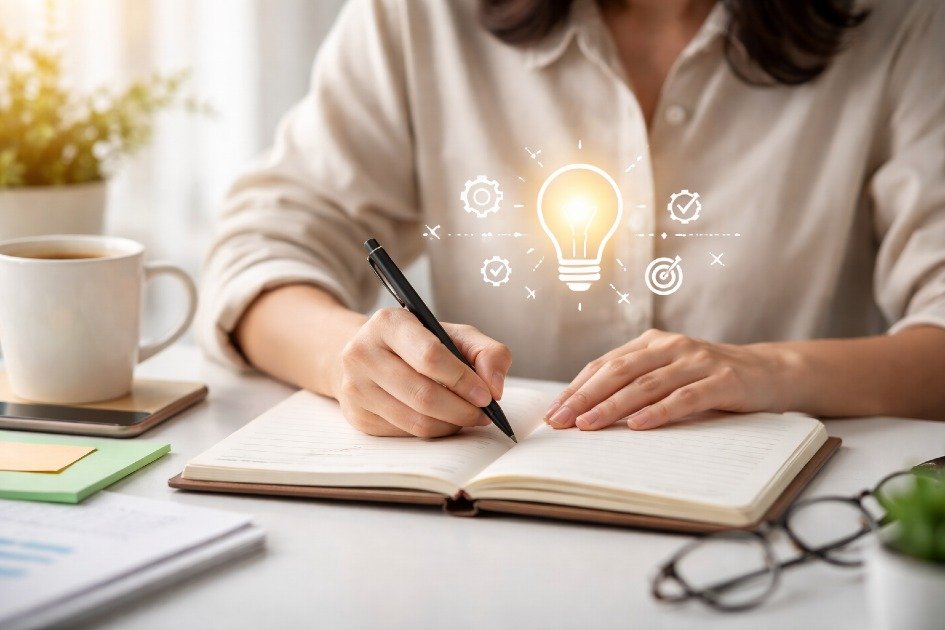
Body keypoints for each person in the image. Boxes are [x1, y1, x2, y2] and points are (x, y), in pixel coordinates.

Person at [198, 0, 945, 438]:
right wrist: (350, 359)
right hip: (484, 521)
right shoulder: (423, 17)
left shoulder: (903, 25)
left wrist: (773, 370)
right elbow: (261, 249)